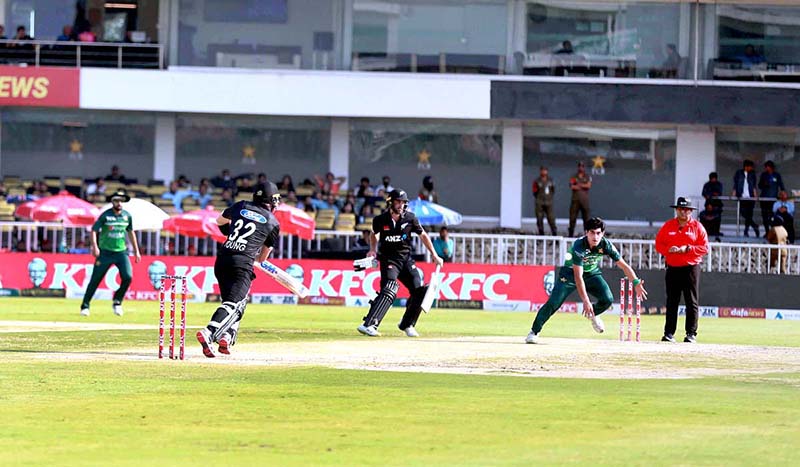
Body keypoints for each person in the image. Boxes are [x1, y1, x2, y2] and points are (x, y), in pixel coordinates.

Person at [525, 217, 647, 344]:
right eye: (592, 233)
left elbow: (624, 265)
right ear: (586, 232)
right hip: (570, 274)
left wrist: (636, 282)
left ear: (603, 234)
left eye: (598, 233)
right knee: (554, 303)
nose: (595, 237)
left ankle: (593, 315)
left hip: (591, 273)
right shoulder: (579, 246)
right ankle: (534, 332)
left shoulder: (606, 245)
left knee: (607, 299)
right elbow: (578, 277)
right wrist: (586, 301)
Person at [196, 183, 281, 358]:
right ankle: (209, 332)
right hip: (241, 265)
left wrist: (232, 234)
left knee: (235, 302)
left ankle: (226, 337)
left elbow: (219, 222)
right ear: (270, 201)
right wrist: (253, 256)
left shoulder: (241, 205)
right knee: (234, 305)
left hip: (223, 259)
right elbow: (263, 258)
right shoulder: (273, 222)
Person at [357, 189, 444, 337]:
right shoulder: (380, 219)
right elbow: (373, 234)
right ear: (390, 202)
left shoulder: (410, 218)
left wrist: (434, 254)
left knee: (420, 290)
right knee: (390, 288)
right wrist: (372, 250)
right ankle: (369, 324)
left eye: (403, 203)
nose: (401, 205)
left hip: (405, 259)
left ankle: (407, 324)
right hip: (388, 259)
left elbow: (422, 235)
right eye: (398, 202)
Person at [655, 197, 709, 343]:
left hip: (691, 267)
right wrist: (668, 250)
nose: (683, 212)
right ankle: (669, 333)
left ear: (691, 211)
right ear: (676, 210)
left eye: (686, 210)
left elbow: (704, 248)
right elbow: (658, 244)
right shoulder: (668, 225)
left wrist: (688, 249)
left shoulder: (697, 227)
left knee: (691, 301)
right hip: (672, 267)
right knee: (672, 301)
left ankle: (691, 333)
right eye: (680, 209)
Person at [80, 189, 141, 317]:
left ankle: (117, 302)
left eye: (121, 201)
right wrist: (95, 247)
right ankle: (85, 306)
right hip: (105, 253)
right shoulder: (105, 215)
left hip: (121, 253)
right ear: (112, 201)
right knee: (95, 280)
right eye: (116, 200)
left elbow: (131, 232)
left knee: (128, 277)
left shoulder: (127, 216)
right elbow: (94, 230)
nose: (119, 203)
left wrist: (136, 251)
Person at [732, 159, 759, 237]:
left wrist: (755, 195)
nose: (752, 168)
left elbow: (754, 185)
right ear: (746, 166)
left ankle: (746, 231)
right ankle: (754, 225)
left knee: (749, 214)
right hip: (741, 196)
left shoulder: (752, 174)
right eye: (751, 167)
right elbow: (736, 183)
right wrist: (734, 193)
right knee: (743, 213)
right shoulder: (739, 173)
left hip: (750, 197)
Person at [758, 160, 785, 235]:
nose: (766, 168)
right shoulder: (763, 175)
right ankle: (767, 232)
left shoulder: (776, 175)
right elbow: (759, 186)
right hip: (764, 198)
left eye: (767, 167)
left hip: (773, 199)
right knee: (764, 216)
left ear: (771, 167)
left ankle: (772, 232)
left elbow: (781, 185)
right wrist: (764, 183)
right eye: (766, 167)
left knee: (772, 216)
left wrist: (783, 193)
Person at [568, 161, 592, 237]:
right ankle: (571, 234)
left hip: (584, 201)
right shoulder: (574, 177)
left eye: (582, 166)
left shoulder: (587, 176)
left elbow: (588, 185)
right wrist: (581, 186)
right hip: (575, 200)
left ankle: (587, 235)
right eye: (580, 166)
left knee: (586, 219)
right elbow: (572, 186)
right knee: (572, 218)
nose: (581, 168)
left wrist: (579, 185)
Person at [532, 165, 557, 235]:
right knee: (539, 219)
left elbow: (553, 190)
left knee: (551, 218)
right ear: (540, 171)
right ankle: (541, 234)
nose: (544, 172)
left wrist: (549, 197)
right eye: (542, 170)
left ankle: (554, 234)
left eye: (545, 170)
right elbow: (534, 192)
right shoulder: (537, 181)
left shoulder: (551, 180)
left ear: (547, 171)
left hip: (549, 202)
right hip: (539, 202)